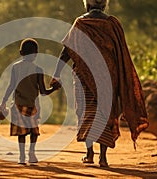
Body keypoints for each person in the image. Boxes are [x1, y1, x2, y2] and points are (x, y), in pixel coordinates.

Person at [50, 0, 149, 167]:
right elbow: (121, 53)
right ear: (104, 5)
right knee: (105, 115)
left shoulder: (80, 23)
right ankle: (103, 158)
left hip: (84, 77)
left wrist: (56, 74)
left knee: (87, 113)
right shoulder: (112, 24)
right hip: (109, 77)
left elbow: (67, 51)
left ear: (87, 5)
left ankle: (89, 154)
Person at [0, 38, 59, 165]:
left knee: (21, 132)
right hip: (33, 106)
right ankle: (31, 153)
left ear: (21, 53)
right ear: (36, 54)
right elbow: (43, 92)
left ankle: (21, 157)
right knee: (34, 131)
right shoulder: (38, 70)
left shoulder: (15, 67)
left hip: (17, 105)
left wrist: (4, 101)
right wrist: (54, 88)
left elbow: (11, 86)